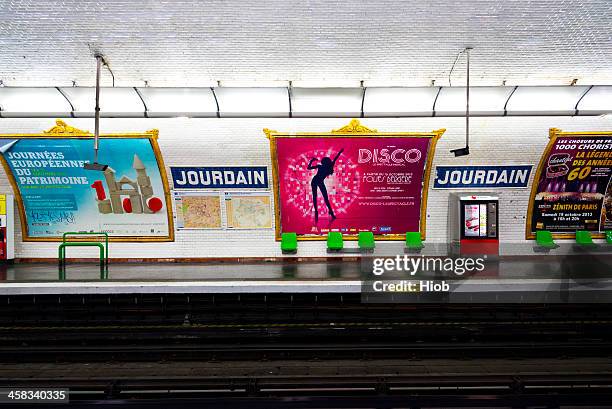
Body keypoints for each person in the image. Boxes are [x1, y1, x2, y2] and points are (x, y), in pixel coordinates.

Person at [307, 148, 344, 222]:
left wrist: (339, 152)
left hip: (319, 181)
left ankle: (330, 212)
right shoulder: (323, 166)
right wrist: (312, 160)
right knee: (316, 197)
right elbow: (308, 168)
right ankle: (317, 212)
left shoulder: (325, 166)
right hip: (315, 181)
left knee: (325, 198)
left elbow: (336, 158)